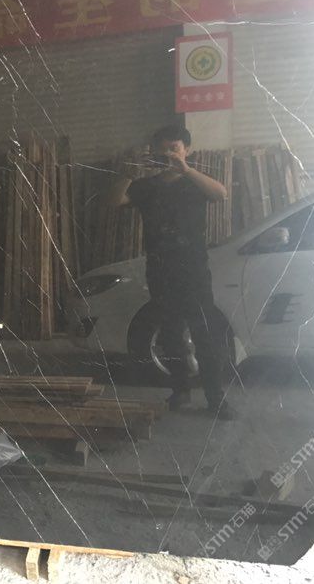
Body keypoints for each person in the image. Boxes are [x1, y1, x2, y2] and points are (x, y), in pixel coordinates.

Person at [107, 125, 233, 419]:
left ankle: (216, 398)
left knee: (204, 333)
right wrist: (128, 174)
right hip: (161, 270)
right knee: (170, 333)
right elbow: (113, 201)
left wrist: (186, 169)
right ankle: (180, 391)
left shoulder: (195, 182)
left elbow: (221, 193)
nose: (168, 154)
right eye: (162, 149)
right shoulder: (146, 187)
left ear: (186, 150)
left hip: (195, 270)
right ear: (154, 152)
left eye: (174, 148)